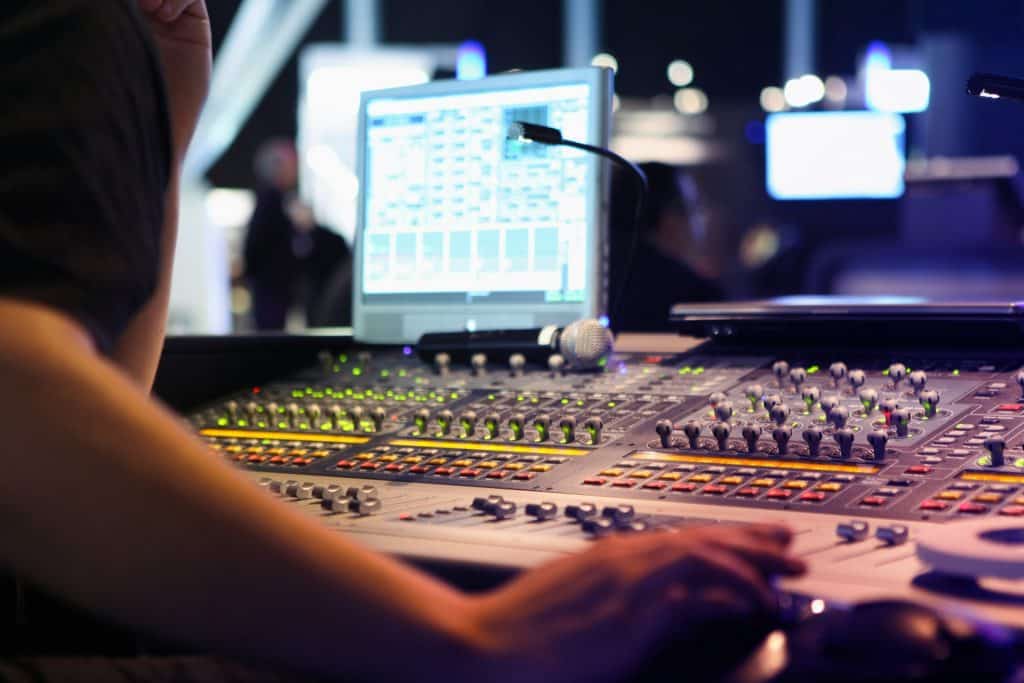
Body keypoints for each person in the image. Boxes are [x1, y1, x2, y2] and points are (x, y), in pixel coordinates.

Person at [0, 2, 805, 680]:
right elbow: (20, 400)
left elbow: (79, 400)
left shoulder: (112, 36)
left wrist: (171, 110)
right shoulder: (76, 22)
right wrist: (472, 636)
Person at [243, 141, 351, 330]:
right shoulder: (272, 203)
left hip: (274, 291)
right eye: (291, 165)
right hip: (272, 291)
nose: (295, 171)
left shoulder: (272, 202)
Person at [609, 162, 724, 332]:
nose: (701, 222)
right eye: (694, 209)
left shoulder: (596, 284)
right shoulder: (698, 296)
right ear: (668, 218)